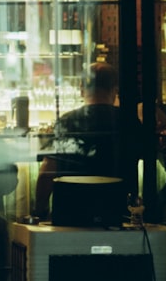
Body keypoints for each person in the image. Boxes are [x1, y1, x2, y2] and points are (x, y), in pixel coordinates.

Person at [34, 61, 141, 220]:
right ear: (115, 90)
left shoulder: (67, 121)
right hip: (117, 210)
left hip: (71, 209)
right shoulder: (128, 120)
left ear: (81, 89)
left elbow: (47, 171)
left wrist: (40, 210)